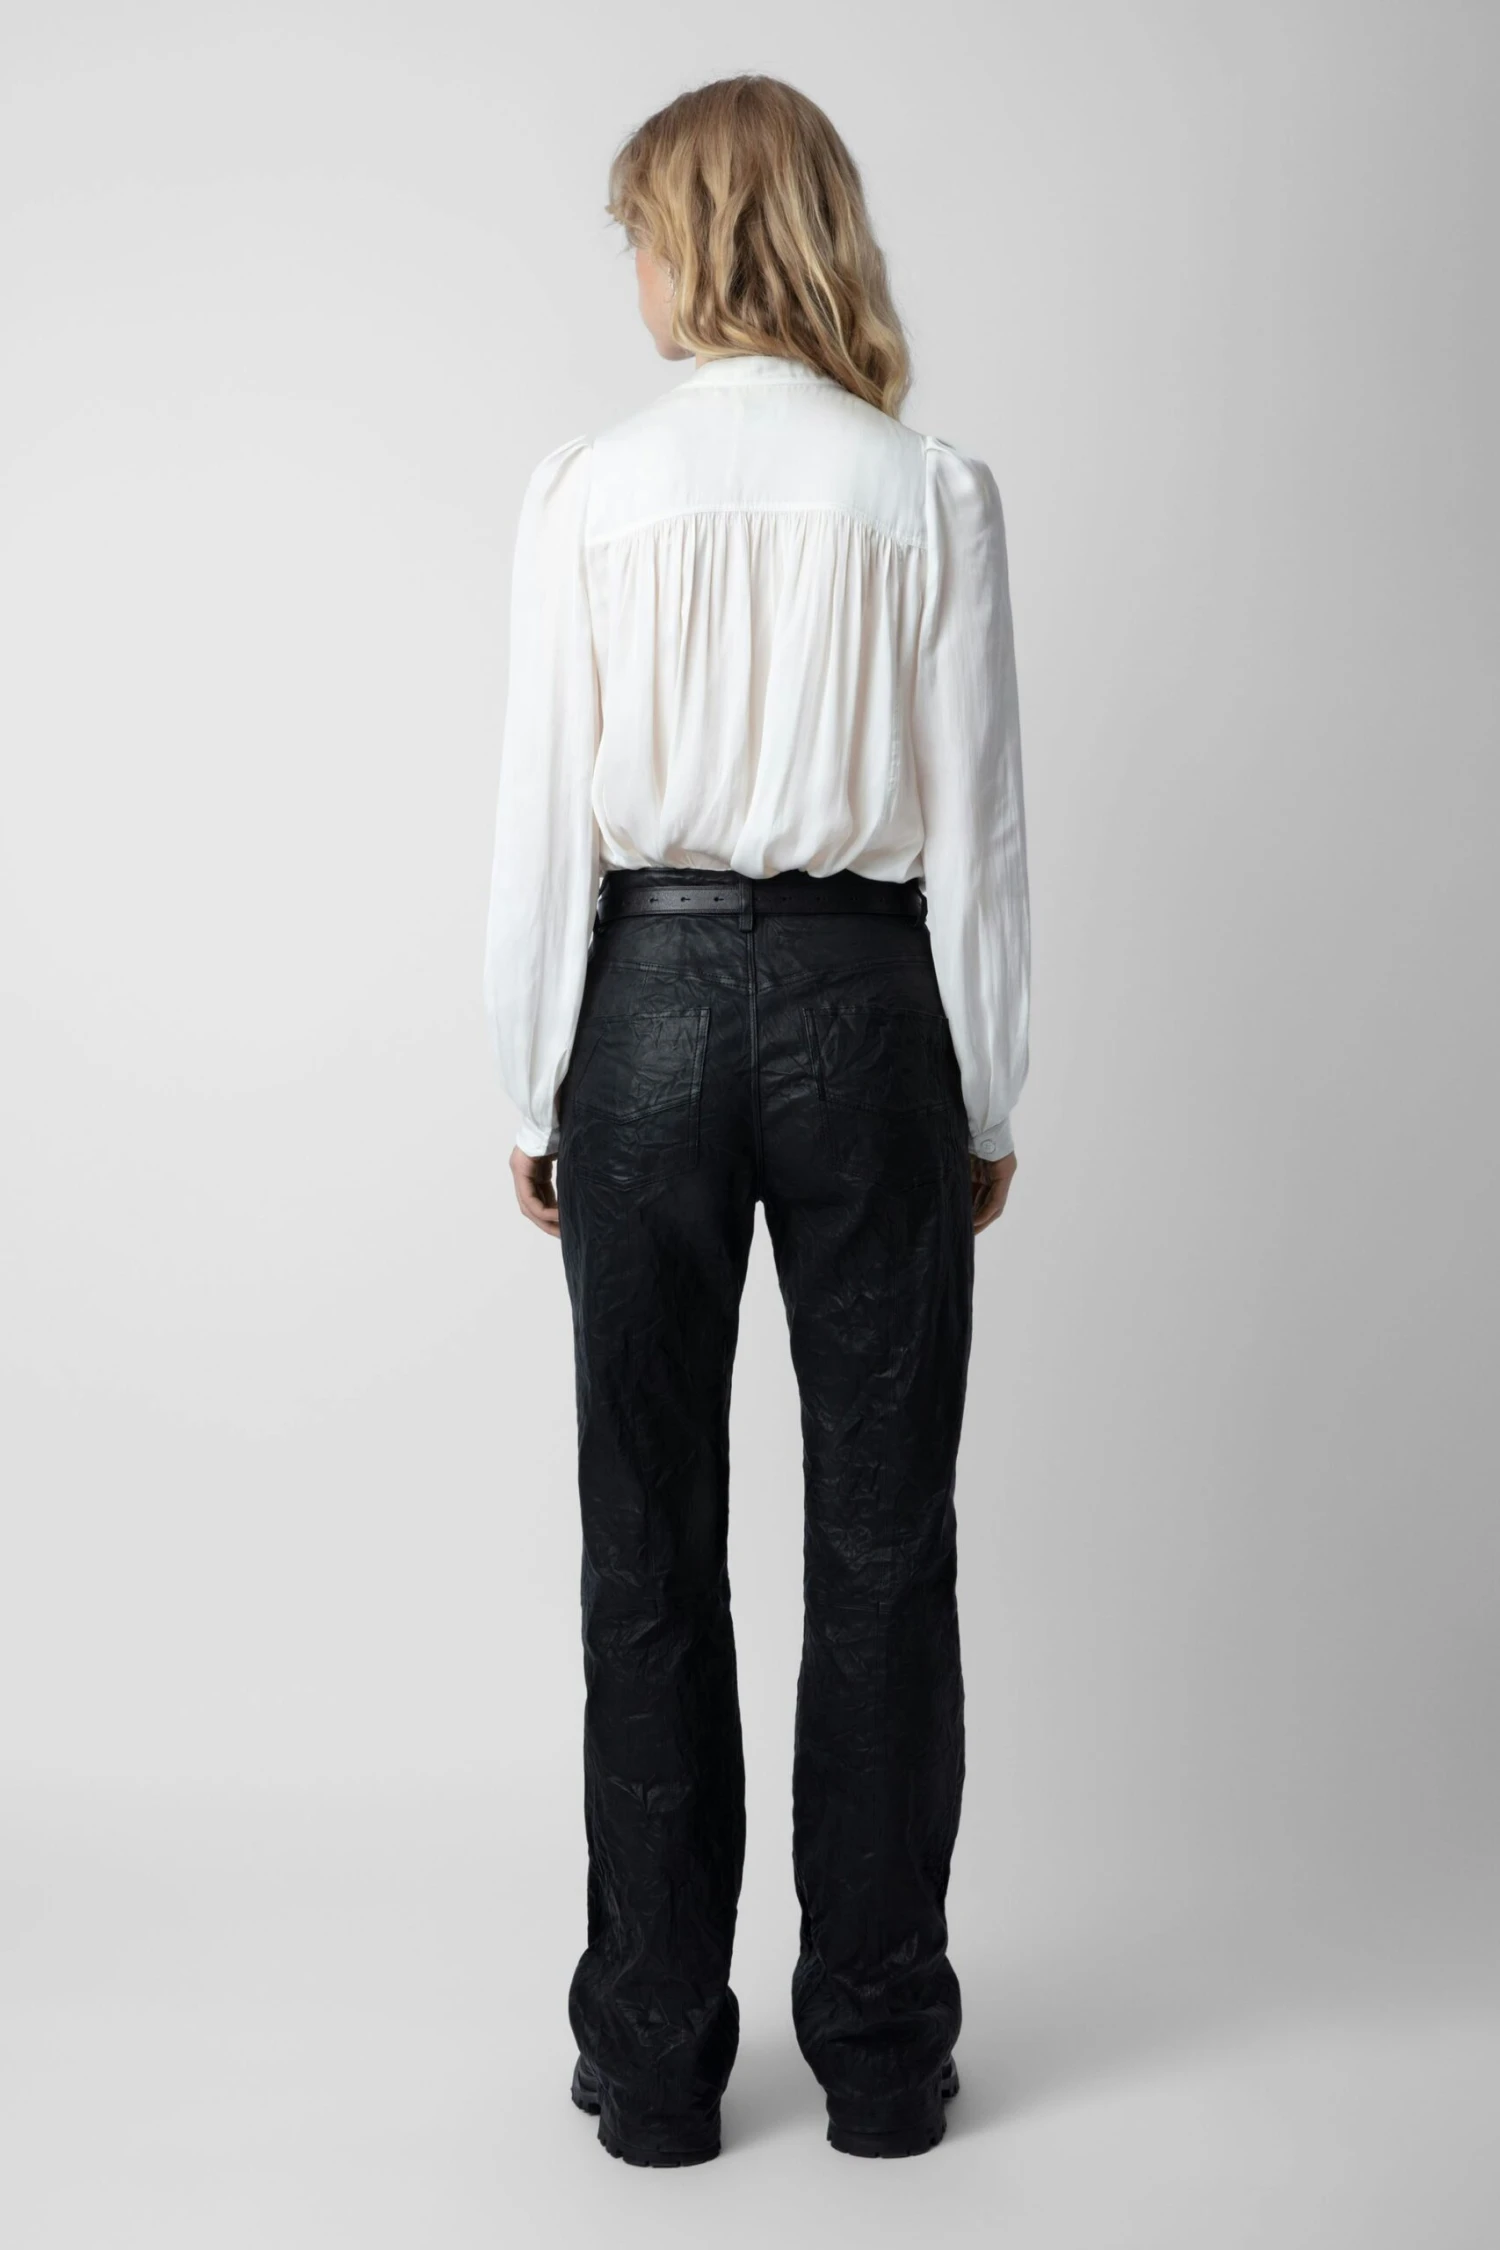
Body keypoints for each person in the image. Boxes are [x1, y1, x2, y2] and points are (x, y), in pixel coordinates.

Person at [483, 73, 1030, 2167]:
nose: (626, 265)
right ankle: (881, 2057)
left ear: (696, 243)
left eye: (638, 226)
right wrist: (991, 1079)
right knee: (884, 1543)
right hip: (868, 1010)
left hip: (642, 1011)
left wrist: (528, 1067)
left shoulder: (588, 493)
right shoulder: (929, 495)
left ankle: (653, 2065)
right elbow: (978, 835)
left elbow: (544, 819)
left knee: (647, 1539)